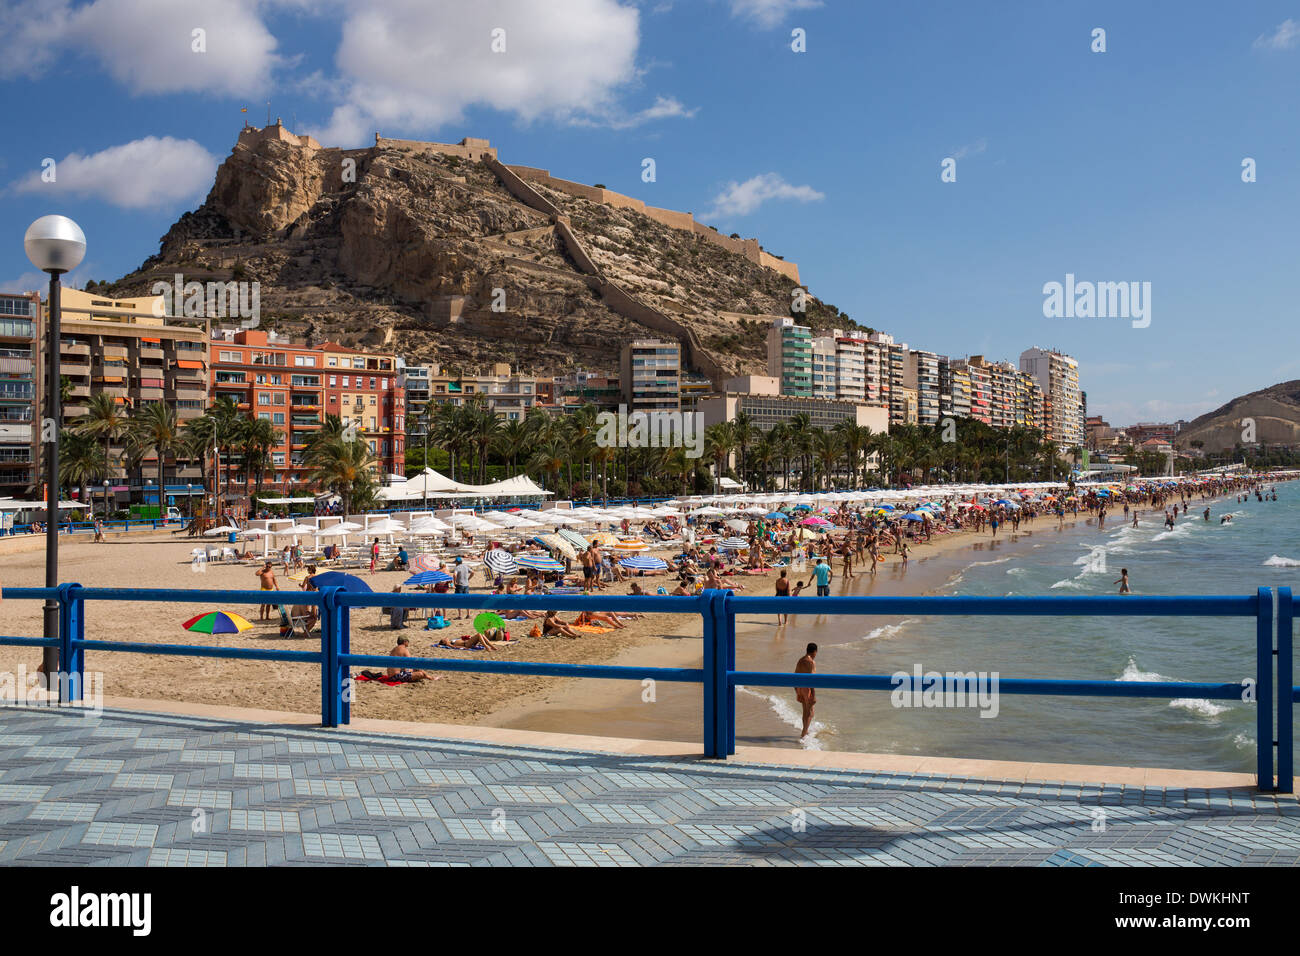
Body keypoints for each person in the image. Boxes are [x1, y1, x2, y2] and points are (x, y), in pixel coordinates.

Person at [794, 643, 818, 739]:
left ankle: (805, 731)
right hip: (807, 688)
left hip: (799, 687)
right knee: (811, 712)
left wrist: (796, 689)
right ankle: (803, 733)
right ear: (815, 652)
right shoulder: (811, 662)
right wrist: (813, 694)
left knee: (805, 710)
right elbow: (811, 679)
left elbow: (795, 674)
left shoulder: (801, 660)